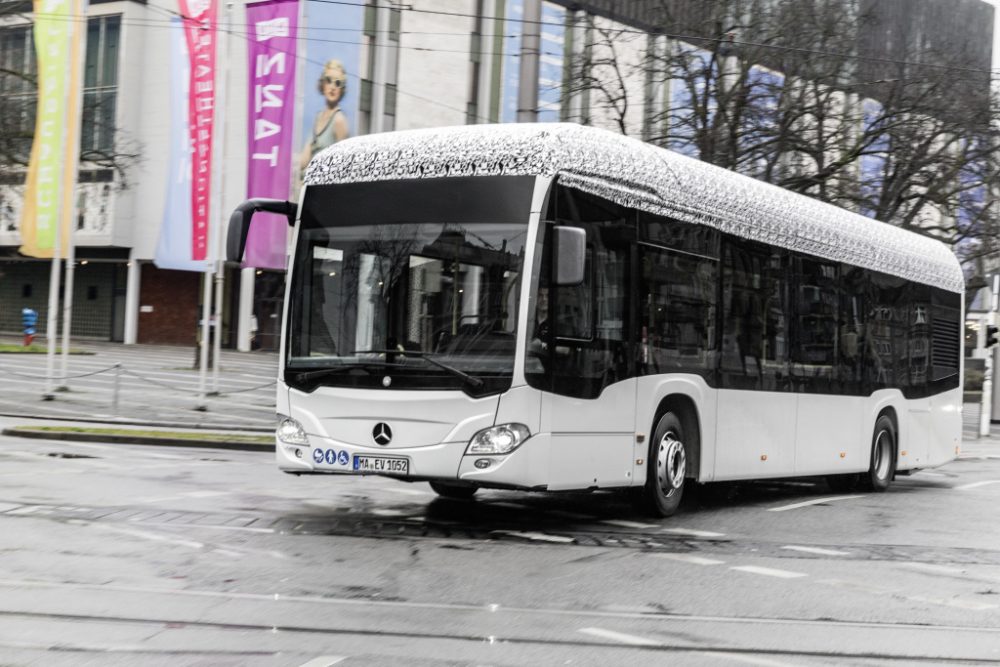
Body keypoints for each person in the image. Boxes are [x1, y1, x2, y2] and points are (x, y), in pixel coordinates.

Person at [299, 59, 350, 175]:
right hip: (309, 184)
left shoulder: (339, 120)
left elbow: (343, 164)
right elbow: (305, 157)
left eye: (338, 83)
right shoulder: (318, 117)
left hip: (325, 187)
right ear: (323, 84)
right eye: (328, 80)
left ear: (341, 89)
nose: (332, 87)